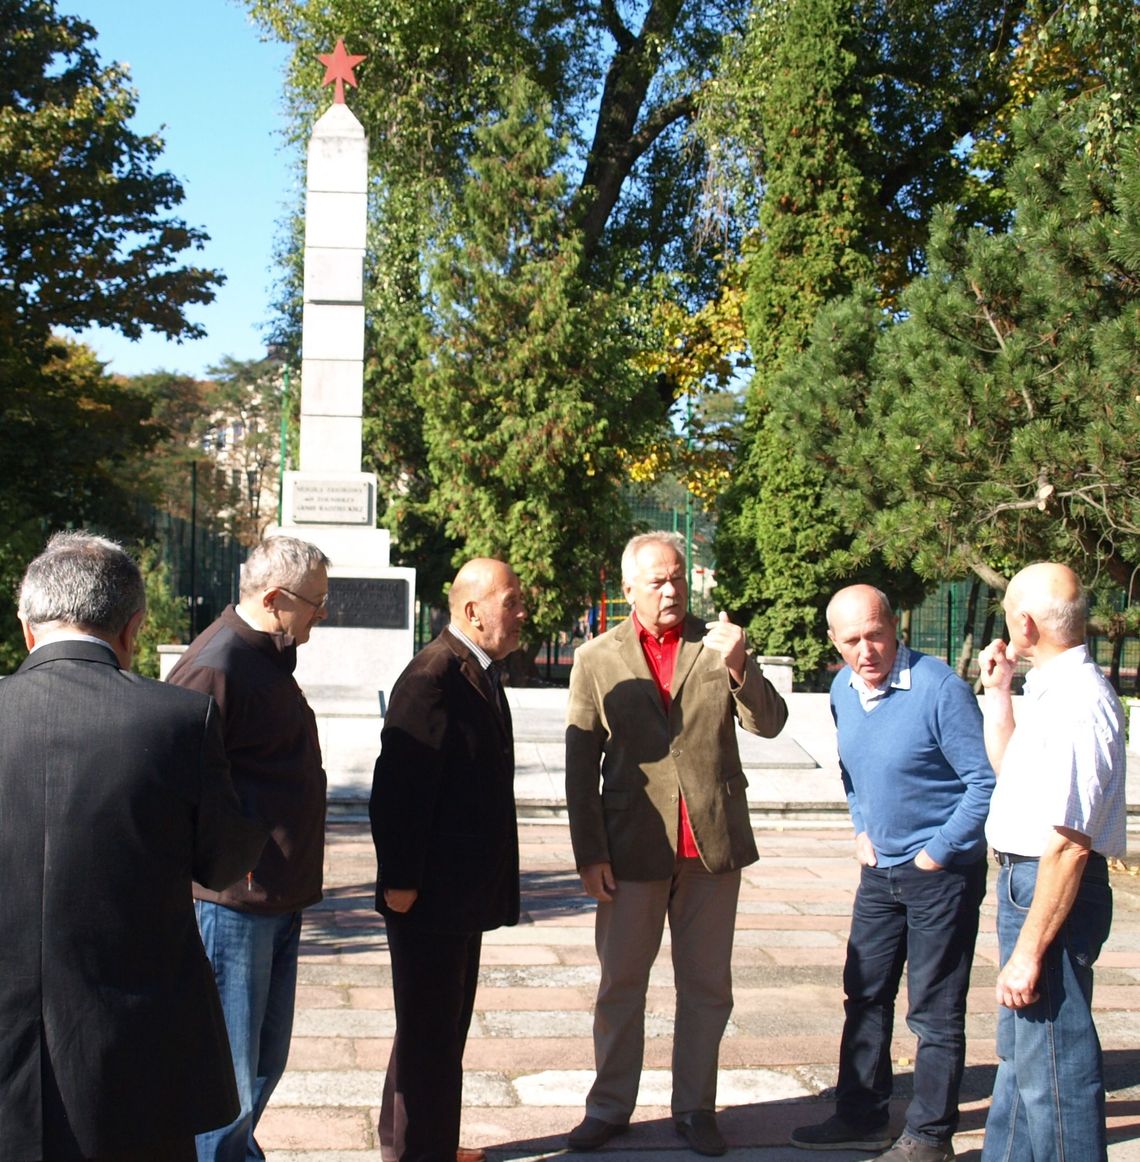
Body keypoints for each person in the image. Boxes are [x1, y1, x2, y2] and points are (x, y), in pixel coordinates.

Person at [0, 532, 266, 1162]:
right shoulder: (178, 720)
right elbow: (224, 863)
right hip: (135, 1050)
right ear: (134, 627)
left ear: (26, 626)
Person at [564, 531, 788, 1157]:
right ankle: (609, 1107)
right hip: (632, 848)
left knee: (707, 987)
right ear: (627, 589)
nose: (670, 590)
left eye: (678, 580)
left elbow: (768, 723)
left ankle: (695, 1108)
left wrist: (742, 665)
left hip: (710, 847)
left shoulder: (717, 646)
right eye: (656, 581)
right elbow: (581, 767)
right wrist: (590, 854)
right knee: (620, 987)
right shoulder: (596, 658)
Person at [791, 584, 995, 1162]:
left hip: (941, 875)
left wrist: (937, 852)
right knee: (865, 993)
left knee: (933, 1010)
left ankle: (930, 1137)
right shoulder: (842, 690)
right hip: (879, 872)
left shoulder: (939, 689)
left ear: (895, 626)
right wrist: (861, 829)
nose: (867, 650)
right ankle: (860, 1116)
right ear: (834, 641)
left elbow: (982, 783)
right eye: (852, 640)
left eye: (875, 634)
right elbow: (851, 769)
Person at [166, 535, 330, 1162]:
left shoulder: (264, 655)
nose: (321, 614)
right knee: (229, 1074)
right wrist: (234, 853)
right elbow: (175, 782)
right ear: (274, 599)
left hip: (276, 895)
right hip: (234, 902)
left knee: (264, 1060)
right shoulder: (217, 664)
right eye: (314, 603)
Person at [370, 558, 526, 1162]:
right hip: (430, 894)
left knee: (434, 1029)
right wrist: (401, 881)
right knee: (431, 1036)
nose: (520, 614)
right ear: (471, 611)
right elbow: (399, 790)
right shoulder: (432, 676)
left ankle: (417, 1143)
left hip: (458, 892)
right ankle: (421, 1154)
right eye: (509, 602)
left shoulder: (478, 671)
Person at [978, 562, 1126, 1162]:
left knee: (1057, 1074)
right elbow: (1012, 775)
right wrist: (998, 692)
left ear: (1026, 622)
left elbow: (1068, 842)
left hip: (1048, 883)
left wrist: (1029, 953)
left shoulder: (1077, 702)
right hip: (1027, 879)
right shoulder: (1052, 689)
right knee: (1023, 1060)